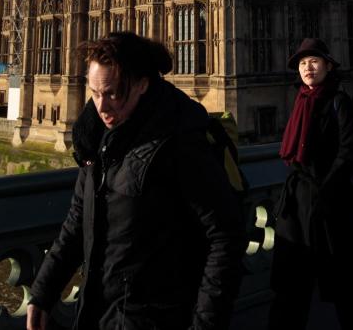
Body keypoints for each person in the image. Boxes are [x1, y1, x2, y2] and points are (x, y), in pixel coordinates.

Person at [26, 32, 244, 330]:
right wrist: (43, 291)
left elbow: (225, 236)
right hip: (101, 310)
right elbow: (79, 220)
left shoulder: (178, 139)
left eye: (113, 94)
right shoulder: (95, 138)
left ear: (143, 83)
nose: (102, 107)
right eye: (94, 93)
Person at [266, 38, 353, 330]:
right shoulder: (300, 101)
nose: (308, 67)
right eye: (303, 63)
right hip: (297, 208)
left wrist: (326, 193)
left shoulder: (339, 102)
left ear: (329, 67)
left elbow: (349, 152)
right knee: (291, 289)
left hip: (333, 207)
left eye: (314, 61)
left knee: (350, 287)